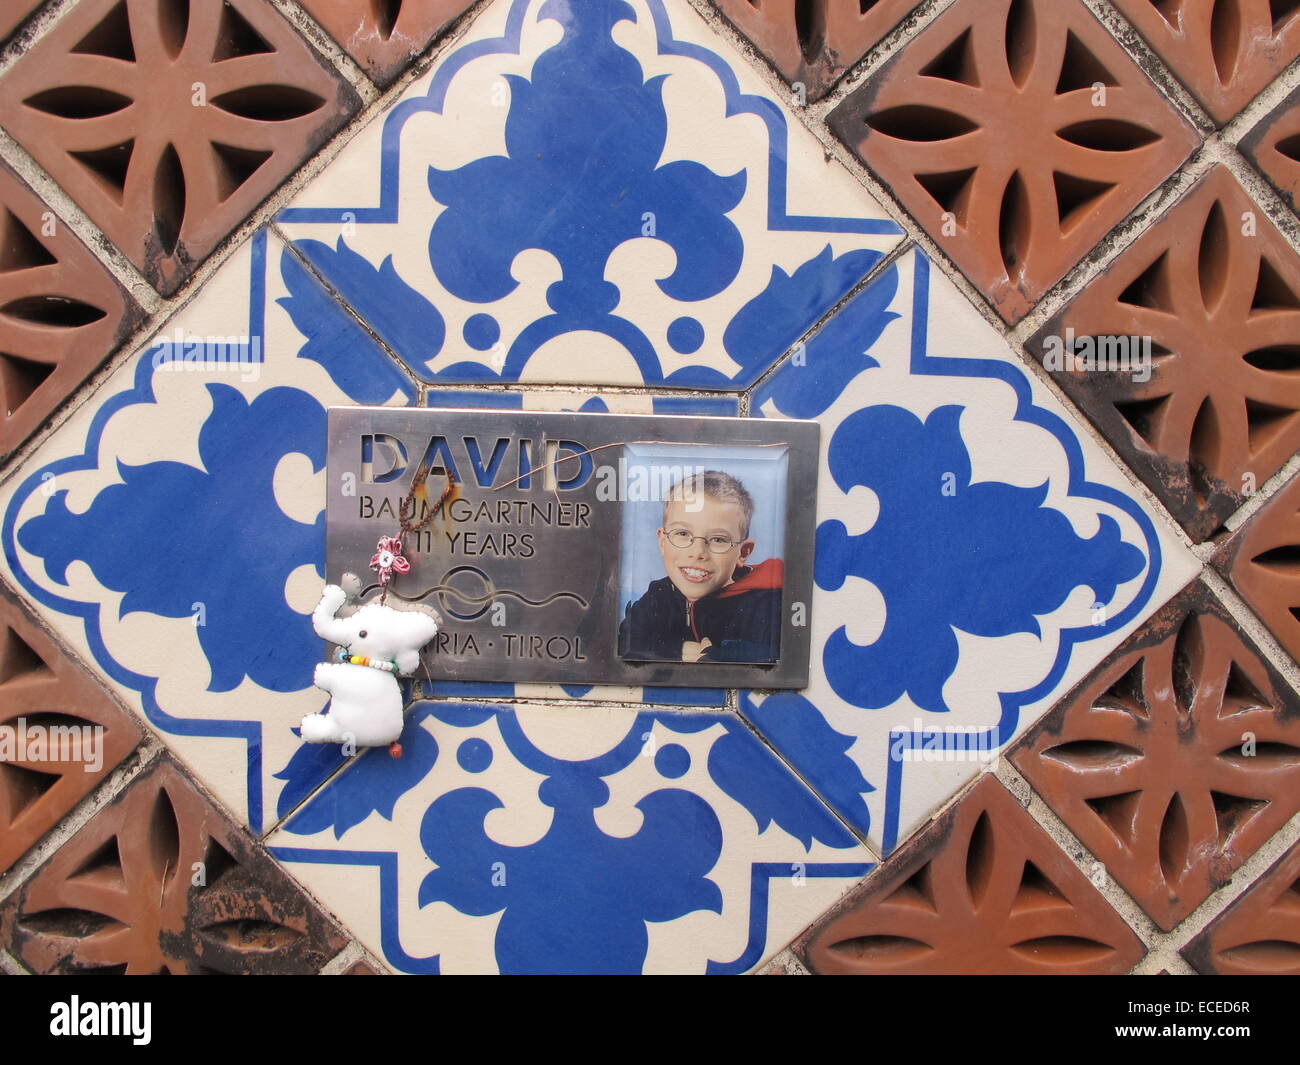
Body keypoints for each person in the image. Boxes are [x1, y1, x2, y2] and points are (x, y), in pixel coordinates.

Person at [618, 469, 783, 664]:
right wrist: (674, 651)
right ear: (662, 541)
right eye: (682, 534)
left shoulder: (767, 605)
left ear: (743, 553)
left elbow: (777, 659)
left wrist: (719, 657)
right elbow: (621, 646)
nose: (698, 552)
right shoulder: (657, 597)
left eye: (718, 539)